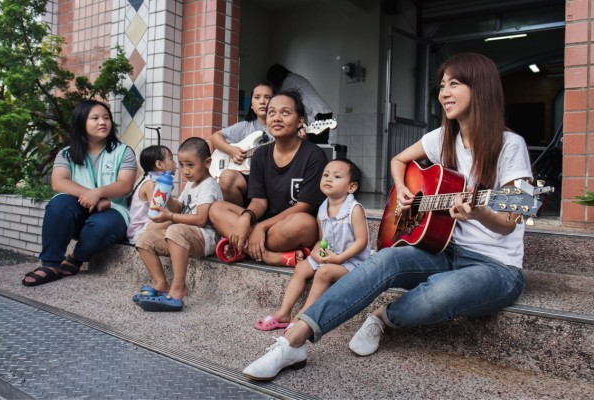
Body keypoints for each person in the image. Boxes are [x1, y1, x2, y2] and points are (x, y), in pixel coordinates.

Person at [243, 53, 533, 380]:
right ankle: (292, 342)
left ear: (481, 89)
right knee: (384, 261)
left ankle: (382, 318)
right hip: (443, 250)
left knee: (441, 291)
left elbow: (510, 220)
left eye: (455, 84)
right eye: (441, 86)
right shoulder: (442, 138)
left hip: (496, 266)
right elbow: (398, 161)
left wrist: (479, 212)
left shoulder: (509, 145)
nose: (444, 93)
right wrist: (403, 191)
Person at [22, 100, 137, 286]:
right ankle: (50, 264)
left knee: (101, 227)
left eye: (106, 118)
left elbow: (125, 185)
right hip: (79, 208)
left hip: (113, 209)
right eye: (95, 118)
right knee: (59, 204)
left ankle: (76, 257)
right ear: (81, 122)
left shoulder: (123, 152)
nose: (103, 122)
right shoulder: (67, 154)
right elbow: (59, 182)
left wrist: (99, 193)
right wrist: (91, 195)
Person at [209, 89, 328, 267]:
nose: (277, 118)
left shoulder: (314, 156)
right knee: (216, 209)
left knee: (303, 223)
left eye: (285, 113)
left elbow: (304, 206)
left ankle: (244, 247)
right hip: (266, 224)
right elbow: (259, 201)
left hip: (290, 225)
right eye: (272, 113)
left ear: (300, 121)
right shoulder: (261, 154)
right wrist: (247, 218)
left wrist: (260, 227)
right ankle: (268, 256)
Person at [254, 158, 371, 332]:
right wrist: (316, 252)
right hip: (330, 256)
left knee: (323, 273)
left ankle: (302, 316)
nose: (329, 179)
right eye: (325, 175)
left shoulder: (354, 210)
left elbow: (361, 241)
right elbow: (321, 240)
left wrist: (339, 258)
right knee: (301, 268)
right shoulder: (323, 209)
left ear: (351, 187)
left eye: (337, 176)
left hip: (351, 262)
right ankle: (283, 313)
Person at [133, 137, 223, 312]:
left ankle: (178, 287)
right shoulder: (191, 184)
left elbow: (201, 219)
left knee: (174, 229)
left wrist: (171, 216)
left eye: (190, 164)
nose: (185, 171)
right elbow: (180, 207)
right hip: (184, 235)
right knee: (145, 239)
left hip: (206, 237)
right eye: (181, 165)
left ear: (207, 162)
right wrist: (165, 196)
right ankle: (160, 283)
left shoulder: (208, 185)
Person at [210, 82, 275, 205]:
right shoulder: (245, 127)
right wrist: (231, 150)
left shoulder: (283, 127)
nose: (262, 101)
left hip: (271, 178)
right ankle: (241, 216)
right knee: (227, 178)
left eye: (268, 97)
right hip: (247, 178)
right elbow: (215, 137)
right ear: (251, 105)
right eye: (257, 97)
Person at [266, 64, 332, 142]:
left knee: (317, 145)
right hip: (322, 111)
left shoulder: (288, 81)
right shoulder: (293, 78)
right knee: (319, 143)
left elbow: (285, 102)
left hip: (318, 113)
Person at [126, 145, 177, 245]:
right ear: (159, 164)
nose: (175, 163)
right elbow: (157, 210)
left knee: (175, 220)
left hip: (150, 225)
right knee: (171, 222)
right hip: (139, 231)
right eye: (171, 159)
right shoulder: (150, 184)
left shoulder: (159, 183)